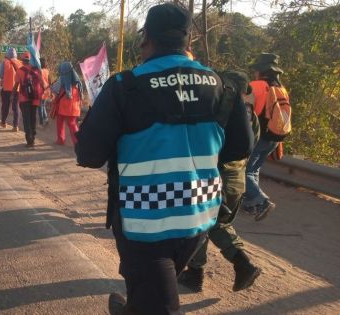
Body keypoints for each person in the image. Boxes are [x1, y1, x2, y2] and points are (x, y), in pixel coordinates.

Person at [75, 3, 253, 314]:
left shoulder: (124, 86)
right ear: (189, 43)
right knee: (152, 292)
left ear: (146, 40)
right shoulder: (223, 86)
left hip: (146, 221)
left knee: (157, 303)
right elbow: (240, 147)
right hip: (200, 217)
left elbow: (88, 155)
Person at [179, 71, 261, 293]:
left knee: (209, 223)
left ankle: (243, 264)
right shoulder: (250, 116)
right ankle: (195, 273)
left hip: (218, 177)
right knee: (205, 223)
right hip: (238, 180)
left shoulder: (221, 112)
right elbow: (250, 145)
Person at [241, 53, 288, 221]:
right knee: (253, 170)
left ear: (261, 70)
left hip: (259, 136)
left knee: (242, 170)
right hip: (274, 139)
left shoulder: (257, 86)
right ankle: (249, 204)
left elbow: (245, 111)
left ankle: (262, 201)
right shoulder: (281, 88)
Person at [13, 52, 44, 147]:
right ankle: (33, 138)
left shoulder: (19, 71)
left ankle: (29, 139)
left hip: (24, 98)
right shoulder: (37, 70)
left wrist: (14, 94)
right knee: (33, 117)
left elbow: (16, 85)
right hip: (35, 98)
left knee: (26, 119)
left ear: (22, 61)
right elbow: (42, 84)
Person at [53, 62, 82, 145]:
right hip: (75, 107)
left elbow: (54, 89)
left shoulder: (62, 79)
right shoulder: (77, 82)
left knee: (60, 122)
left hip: (63, 107)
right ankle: (77, 142)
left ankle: (61, 139)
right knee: (72, 124)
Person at [0, 48, 22, 131]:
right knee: (16, 107)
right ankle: (16, 126)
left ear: (7, 55)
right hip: (17, 89)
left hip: (6, 88)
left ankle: (3, 122)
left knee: (5, 106)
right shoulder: (20, 63)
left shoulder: (4, 62)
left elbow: (1, 75)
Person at [39, 57, 52, 126]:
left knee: (40, 106)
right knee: (43, 105)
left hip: (41, 91)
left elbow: (39, 82)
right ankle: (46, 119)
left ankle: (41, 123)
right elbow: (50, 82)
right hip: (47, 90)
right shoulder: (47, 71)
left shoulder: (39, 71)